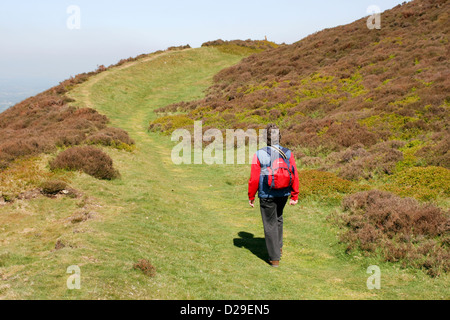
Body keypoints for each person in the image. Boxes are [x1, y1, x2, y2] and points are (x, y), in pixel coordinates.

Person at [248, 124, 299, 268]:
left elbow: (254, 179)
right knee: (278, 218)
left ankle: (274, 258)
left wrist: (251, 196)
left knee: (269, 223)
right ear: (280, 137)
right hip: (283, 192)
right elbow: (294, 174)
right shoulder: (288, 153)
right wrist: (295, 195)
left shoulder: (259, 154)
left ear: (266, 138)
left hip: (267, 194)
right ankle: (279, 248)